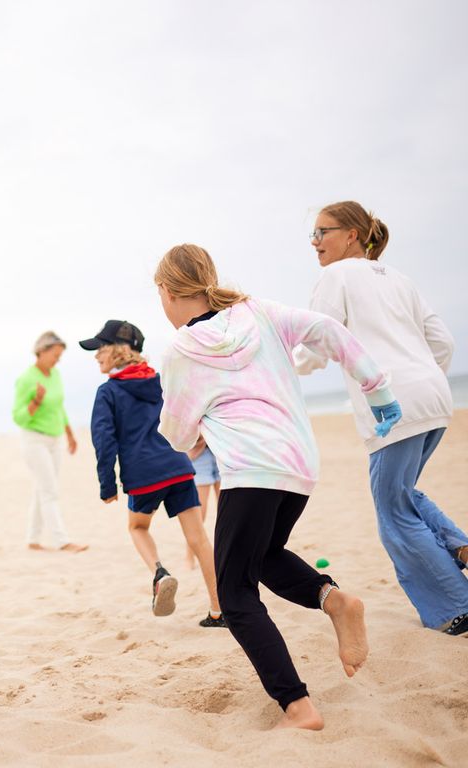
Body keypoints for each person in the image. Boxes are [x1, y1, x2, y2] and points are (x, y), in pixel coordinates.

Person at [155, 244, 401, 730]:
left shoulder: (181, 350)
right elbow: (330, 331)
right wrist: (379, 390)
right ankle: (336, 600)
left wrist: (197, 431)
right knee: (264, 554)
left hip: (250, 472)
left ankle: (296, 704)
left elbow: (178, 434)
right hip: (299, 464)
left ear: (166, 292)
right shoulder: (259, 312)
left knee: (235, 592)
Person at [294, 201, 468, 636]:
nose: (314, 243)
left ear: (352, 235)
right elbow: (442, 341)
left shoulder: (335, 275)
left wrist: (286, 365)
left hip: (392, 406)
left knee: (394, 516)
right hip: (434, 398)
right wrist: (422, 377)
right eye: (311, 235)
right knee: (403, 493)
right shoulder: (400, 278)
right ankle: (461, 547)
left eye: (322, 233)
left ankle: (455, 607)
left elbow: (319, 340)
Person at [82, 319, 224, 627]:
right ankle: (219, 609)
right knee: (199, 538)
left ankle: (160, 573)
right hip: (178, 467)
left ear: (118, 352)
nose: (96, 356)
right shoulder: (161, 382)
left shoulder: (108, 392)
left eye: (100, 350)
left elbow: (104, 441)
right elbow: (188, 413)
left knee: (137, 527)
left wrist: (108, 486)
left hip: (143, 475)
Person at [12, 331, 87, 553]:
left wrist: (70, 435)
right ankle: (62, 541)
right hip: (34, 439)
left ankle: (33, 539)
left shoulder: (55, 375)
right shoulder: (26, 378)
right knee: (50, 490)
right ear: (41, 351)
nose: (58, 359)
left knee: (43, 489)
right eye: (55, 354)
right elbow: (18, 417)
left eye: (60, 355)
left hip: (55, 440)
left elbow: (59, 407)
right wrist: (35, 401)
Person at [184, 438, 220, 572]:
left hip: (222, 451)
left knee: (227, 511)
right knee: (199, 514)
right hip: (198, 454)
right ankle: (189, 557)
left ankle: (225, 554)